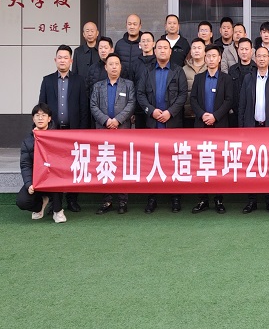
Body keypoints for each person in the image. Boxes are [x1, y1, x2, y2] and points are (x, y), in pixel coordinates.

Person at [136, 38, 189, 214]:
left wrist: (170, 112)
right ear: (154, 50)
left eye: (165, 48)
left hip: (172, 124)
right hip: (153, 123)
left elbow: (182, 95)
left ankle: (175, 197)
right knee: (153, 162)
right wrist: (151, 111)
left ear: (170, 51)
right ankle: (152, 198)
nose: (162, 51)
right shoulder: (147, 71)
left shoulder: (178, 71)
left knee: (173, 161)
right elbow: (140, 94)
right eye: (159, 48)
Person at [38, 44, 88, 213]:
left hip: (73, 131)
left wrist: (82, 131)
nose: (62, 60)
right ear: (55, 60)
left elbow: (84, 108)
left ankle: (72, 199)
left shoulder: (79, 80)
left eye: (66, 58)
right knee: (53, 166)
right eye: (59, 57)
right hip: (53, 132)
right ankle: (54, 200)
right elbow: (42, 107)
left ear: (71, 61)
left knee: (74, 165)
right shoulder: (47, 80)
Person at [239, 46, 269, 214]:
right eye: (258, 56)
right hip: (252, 128)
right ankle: (252, 200)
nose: (261, 59)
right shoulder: (248, 78)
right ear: (255, 59)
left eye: (264, 56)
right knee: (251, 166)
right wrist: (241, 129)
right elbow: (242, 105)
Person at [189, 45, 234, 215]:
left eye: (214, 56)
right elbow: (193, 100)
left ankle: (218, 199)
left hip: (219, 126)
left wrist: (215, 116)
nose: (211, 59)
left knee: (218, 163)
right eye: (208, 56)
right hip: (201, 126)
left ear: (219, 58)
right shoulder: (199, 78)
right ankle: (203, 199)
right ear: (205, 58)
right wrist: (202, 115)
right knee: (202, 163)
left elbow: (229, 100)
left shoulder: (226, 79)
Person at [89, 53, 135, 215]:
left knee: (122, 165)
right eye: (111, 64)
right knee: (105, 165)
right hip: (103, 131)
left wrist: (117, 120)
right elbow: (93, 105)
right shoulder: (98, 86)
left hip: (122, 131)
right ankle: (107, 200)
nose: (114, 67)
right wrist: (106, 121)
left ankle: (123, 200)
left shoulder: (128, 85)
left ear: (120, 67)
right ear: (105, 67)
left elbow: (131, 104)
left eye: (117, 64)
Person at [16, 103, 67, 223]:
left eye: (43, 115)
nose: (40, 118)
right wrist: (29, 184)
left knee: (55, 180)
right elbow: (25, 165)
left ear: (49, 119)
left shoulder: (58, 137)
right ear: (33, 118)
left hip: (54, 177)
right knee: (22, 202)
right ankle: (40, 206)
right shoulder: (28, 141)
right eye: (37, 115)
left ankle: (58, 210)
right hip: (36, 179)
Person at [227, 37, 256, 127]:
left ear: (251, 51)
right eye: (241, 49)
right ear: (238, 51)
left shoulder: (256, 69)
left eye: (246, 49)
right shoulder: (232, 70)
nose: (244, 52)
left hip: (252, 114)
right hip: (234, 113)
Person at [182, 38, 207, 127]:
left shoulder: (210, 69)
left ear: (205, 52)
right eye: (194, 48)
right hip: (187, 114)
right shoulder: (183, 70)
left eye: (199, 48)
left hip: (205, 115)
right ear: (191, 52)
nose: (196, 50)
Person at [115, 14, 142, 80]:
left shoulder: (145, 43)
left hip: (140, 81)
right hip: (123, 82)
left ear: (140, 26)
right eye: (129, 24)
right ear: (126, 25)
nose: (132, 27)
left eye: (135, 24)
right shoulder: (119, 44)